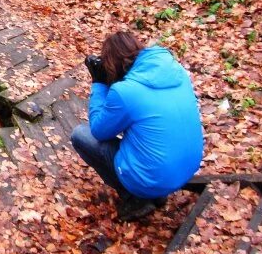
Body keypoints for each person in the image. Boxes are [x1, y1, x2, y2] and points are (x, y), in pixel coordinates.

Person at [70, 31, 204, 221]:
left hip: (153, 178)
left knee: (80, 135)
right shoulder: (177, 71)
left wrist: (99, 84)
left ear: (113, 65)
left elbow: (99, 131)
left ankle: (135, 198)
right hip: (187, 167)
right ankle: (156, 192)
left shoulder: (127, 91)